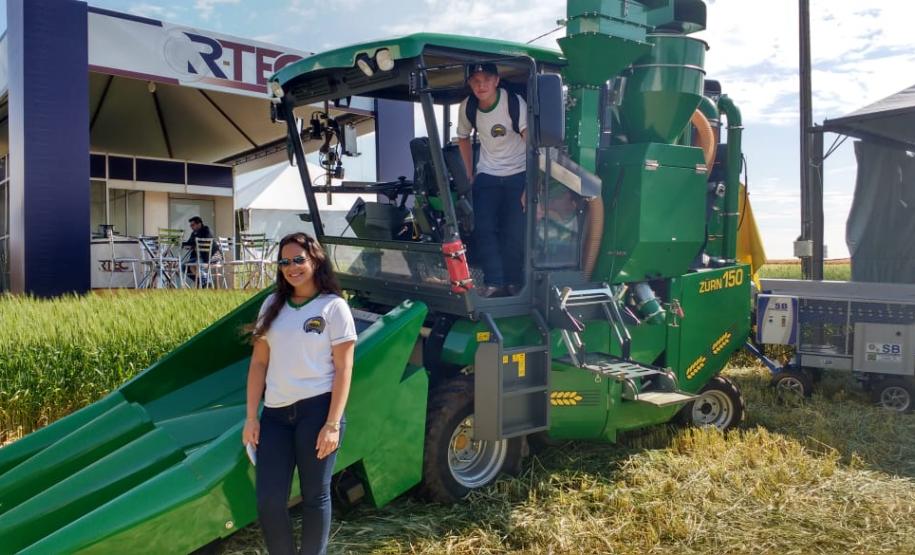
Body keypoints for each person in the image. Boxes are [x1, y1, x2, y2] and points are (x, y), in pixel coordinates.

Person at [242, 232, 356, 555]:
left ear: (315, 260)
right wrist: (252, 417)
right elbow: (258, 364)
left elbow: (344, 369)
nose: (291, 267)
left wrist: (332, 423)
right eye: (284, 262)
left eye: (298, 260)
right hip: (276, 416)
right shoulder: (272, 305)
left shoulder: (334, 308)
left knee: (314, 496)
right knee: (268, 501)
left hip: (317, 413)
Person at [457, 62, 528, 298]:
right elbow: (463, 137)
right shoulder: (468, 107)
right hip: (488, 172)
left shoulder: (514, 104)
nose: (481, 85)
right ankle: (494, 282)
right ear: (470, 84)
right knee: (483, 229)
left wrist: (531, 184)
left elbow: (533, 145)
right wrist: (469, 173)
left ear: (496, 80)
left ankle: (513, 282)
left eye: (486, 79)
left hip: (519, 173)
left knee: (514, 232)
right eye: (475, 80)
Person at [183, 216, 220, 284]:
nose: (191, 227)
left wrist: (192, 243)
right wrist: (182, 243)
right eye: (190, 225)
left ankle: (206, 282)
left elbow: (197, 242)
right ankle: (201, 283)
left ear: (199, 224)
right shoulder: (194, 233)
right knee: (183, 266)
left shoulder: (206, 230)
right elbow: (190, 243)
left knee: (193, 266)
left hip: (211, 257)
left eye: (193, 225)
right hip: (201, 257)